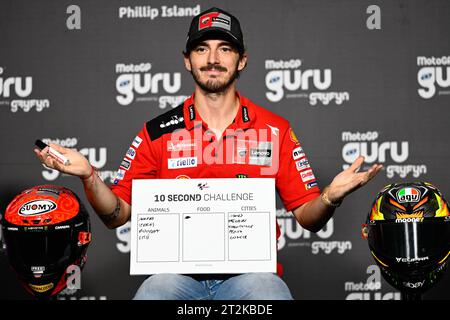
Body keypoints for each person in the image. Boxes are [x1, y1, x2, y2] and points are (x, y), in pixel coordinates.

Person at [34, 7, 382, 300]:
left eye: (224, 49)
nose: (213, 59)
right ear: (187, 61)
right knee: (152, 293)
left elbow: (308, 217)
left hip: (250, 278)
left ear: (241, 60)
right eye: (202, 49)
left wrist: (330, 197)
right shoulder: (158, 132)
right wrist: (89, 175)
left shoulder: (274, 129)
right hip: (175, 279)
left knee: (269, 292)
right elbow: (117, 216)